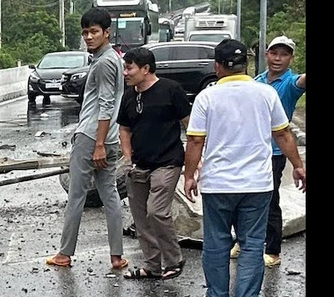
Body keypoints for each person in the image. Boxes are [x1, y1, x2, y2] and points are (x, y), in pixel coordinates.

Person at [184, 38, 306, 297]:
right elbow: (283, 134)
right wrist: (298, 166)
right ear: (247, 64)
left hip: (217, 185)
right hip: (257, 185)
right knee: (252, 244)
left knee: (217, 243)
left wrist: (189, 175)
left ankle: (217, 294)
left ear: (217, 66)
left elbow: (195, 139)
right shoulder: (266, 93)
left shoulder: (207, 96)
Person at [47, 8, 127, 272]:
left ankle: (64, 254)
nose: (89, 37)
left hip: (92, 137)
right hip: (109, 137)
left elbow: (105, 105)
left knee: (76, 195)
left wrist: (99, 144)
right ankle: (117, 256)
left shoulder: (103, 62)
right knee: (110, 195)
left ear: (107, 32)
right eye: (85, 33)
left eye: (94, 32)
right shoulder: (112, 58)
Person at [116, 46, 191, 280]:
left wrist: (194, 160)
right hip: (139, 164)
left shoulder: (170, 90)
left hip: (168, 161)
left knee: (156, 211)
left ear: (146, 69)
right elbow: (124, 130)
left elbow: (189, 124)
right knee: (140, 218)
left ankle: (174, 260)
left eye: (129, 68)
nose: (125, 73)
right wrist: (127, 159)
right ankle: (152, 266)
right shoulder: (129, 95)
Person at [252, 35, 306, 267]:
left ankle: (273, 250)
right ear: (266, 54)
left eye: (284, 54)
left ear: (291, 58)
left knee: (270, 199)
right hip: (252, 148)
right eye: (274, 53)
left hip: (274, 151)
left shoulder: (291, 83)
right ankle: (245, 242)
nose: (278, 58)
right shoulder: (257, 80)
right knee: (244, 197)